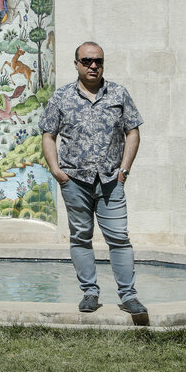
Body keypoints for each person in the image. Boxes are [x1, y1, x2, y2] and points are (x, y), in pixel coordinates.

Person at [40, 41, 147, 316]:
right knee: (80, 237)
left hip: (111, 181)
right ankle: (89, 292)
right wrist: (56, 171)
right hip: (74, 180)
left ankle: (128, 295)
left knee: (119, 238)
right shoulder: (61, 97)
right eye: (86, 60)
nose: (93, 65)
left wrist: (124, 170)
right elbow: (48, 135)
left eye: (98, 60)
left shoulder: (119, 94)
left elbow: (132, 131)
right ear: (76, 63)